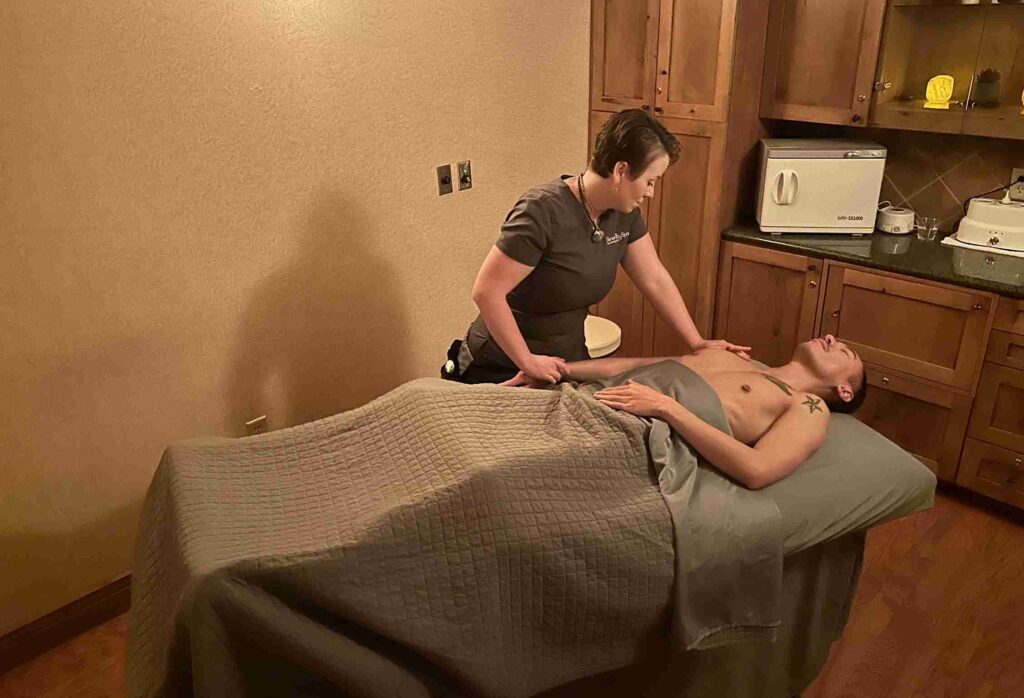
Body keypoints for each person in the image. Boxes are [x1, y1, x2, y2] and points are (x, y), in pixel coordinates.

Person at [444, 108, 750, 385]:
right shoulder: (541, 211)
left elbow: (655, 280)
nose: (651, 192)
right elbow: (486, 291)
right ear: (620, 171)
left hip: (566, 360)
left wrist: (696, 343)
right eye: (650, 181)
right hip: (501, 363)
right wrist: (526, 361)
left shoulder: (624, 215)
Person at [504, 334, 867, 490]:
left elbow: (757, 470)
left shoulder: (808, 406)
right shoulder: (728, 355)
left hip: (634, 431)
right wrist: (559, 370)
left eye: (844, 353)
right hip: (593, 398)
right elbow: (640, 365)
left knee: (497, 464)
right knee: (471, 410)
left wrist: (666, 408)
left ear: (844, 390)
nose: (832, 338)